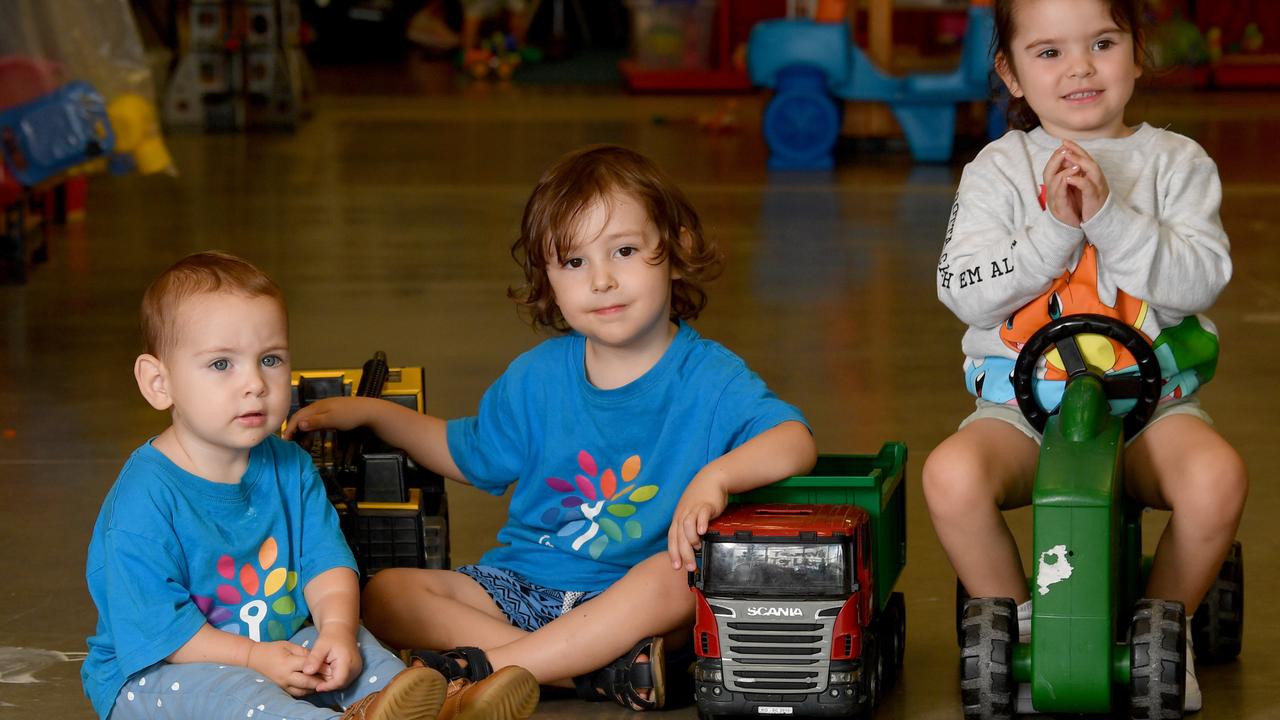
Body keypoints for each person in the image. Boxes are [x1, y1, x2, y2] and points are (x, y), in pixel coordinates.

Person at [284, 145, 817, 711]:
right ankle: (586, 673)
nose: (602, 280)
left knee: (681, 576)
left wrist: (718, 475)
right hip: (519, 587)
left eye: (626, 250)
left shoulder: (709, 377)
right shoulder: (536, 376)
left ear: (677, 251)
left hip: (626, 600)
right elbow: (467, 453)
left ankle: (488, 669)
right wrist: (375, 413)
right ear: (548, 279)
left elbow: (795, 440)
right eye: (574, 262)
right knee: (387, 593)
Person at [924, 0, 1247, 713]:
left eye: (1102, 42)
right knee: (950, 476)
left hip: (1150, 412)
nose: (1079, 67)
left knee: (1217, 478)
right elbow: (962, 292)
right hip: (1022, 414)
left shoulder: (1176, 163)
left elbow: (1200, 280)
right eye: (1048, 52)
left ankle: (1165, 624)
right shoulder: (997, 170)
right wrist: (1051, 234)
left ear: (1136, 51)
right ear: (1009, 71)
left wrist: (1108, 218)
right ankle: (1025, 622)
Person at [82, 251, 540, 720]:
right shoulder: (142, 503)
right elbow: (166, 632)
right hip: (161, 674)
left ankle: (444, 707)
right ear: (159, 383)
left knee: (362, 652)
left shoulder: (289, 466)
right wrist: (253, 658)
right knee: (238, 696)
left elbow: (326, 562)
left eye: (270, 359)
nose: (255, 384)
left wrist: (338, 631)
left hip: (276, 647)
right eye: (222, 364)